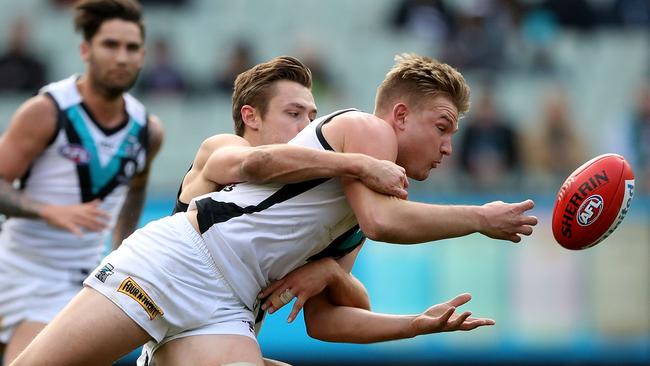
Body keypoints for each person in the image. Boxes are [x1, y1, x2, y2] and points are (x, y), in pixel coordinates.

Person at [12, 54, 537, 366]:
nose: (448, 147)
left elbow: (325, 321)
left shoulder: (358, 208)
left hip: (230, 309)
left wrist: (416, 326)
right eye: (442, 127)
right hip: (175, 265)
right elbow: (386, 223)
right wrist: (480, 218)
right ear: (400, 115)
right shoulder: (367, 131)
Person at [0, 0, 163, 364]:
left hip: (77, 283)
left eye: (132, 47)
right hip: (17, 269)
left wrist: (123, 253)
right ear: (86, 50)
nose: (122, 57)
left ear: (143, 55)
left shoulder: (147, 131)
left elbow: (134, 190)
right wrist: (47, 211)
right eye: (110, 45)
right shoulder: (47, 111)